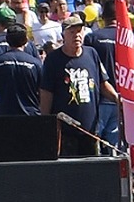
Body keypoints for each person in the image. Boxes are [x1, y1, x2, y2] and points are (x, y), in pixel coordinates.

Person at [40, 12, 117, 156]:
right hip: (65, 131)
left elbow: (103, 83)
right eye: (72, 32)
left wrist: (117, 99)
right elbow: (46, 93)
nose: (77, 35)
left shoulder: (91, 54)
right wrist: (45, 122)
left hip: (90, 130)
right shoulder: (53, 60)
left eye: (79, 31)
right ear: (64, 35)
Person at [0, 23, 43, 117]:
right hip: (30, 116)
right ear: (26, 41)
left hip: (5, 117)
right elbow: (44, 92)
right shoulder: (35, 63)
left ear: (7, 40)